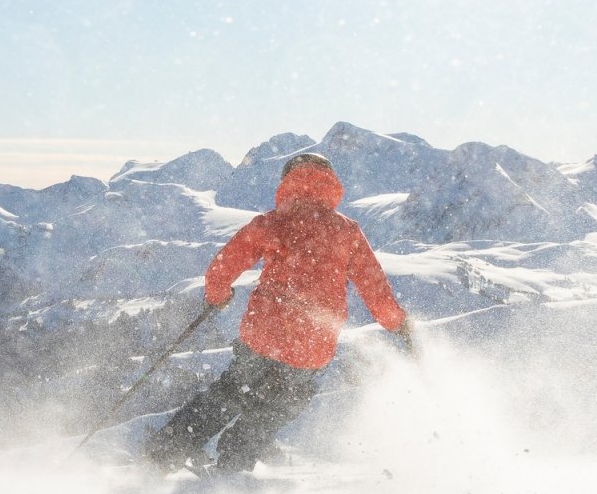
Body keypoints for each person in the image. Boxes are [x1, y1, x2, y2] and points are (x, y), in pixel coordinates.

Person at [142, 152, 411, 474]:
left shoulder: (273, 222)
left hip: (264, 333)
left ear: (287, 181)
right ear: (331, 183)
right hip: (312, 345)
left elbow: (223, 266)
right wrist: (399, 324)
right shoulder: (347, 231)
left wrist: (218, 296)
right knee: (273, 408)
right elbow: (375, 289)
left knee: (227, 393)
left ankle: (164, 453)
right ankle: (232, 466)